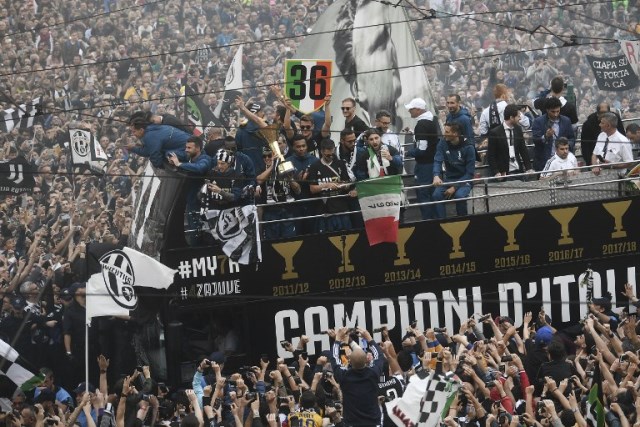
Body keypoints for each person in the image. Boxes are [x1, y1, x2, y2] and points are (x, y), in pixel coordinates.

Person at [330, 327, 385, 427]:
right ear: (366, 361)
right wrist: (369, 338)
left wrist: (337, 339)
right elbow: (379, 356)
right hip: (373, 423)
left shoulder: (344, 376)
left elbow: (334, 357)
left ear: (349, 361)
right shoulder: (374, 373)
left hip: (352, 423)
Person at [167, 136, 212, 245]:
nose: (186, 150)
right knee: (193, 228)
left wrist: (179, 164)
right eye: (186, 147)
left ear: (198, 149)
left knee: (203, 230)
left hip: (202, 202)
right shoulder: (188, 157)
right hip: (191, 200)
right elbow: (169, 152)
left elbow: (200, 168)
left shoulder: (205, 159)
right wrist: (170, 158)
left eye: (189, 148)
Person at [308, 138, 357, 233]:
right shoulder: (314, 166)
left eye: (332, 154)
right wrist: (326, 185)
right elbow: (312, 189)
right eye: (327, 155)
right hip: (324, 208)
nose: (330, 157)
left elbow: (347, 182)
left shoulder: (340, 163)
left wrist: (342, 185)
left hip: (341, 206)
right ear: (321, 151)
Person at [404, 98, 439, 220]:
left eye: (411, 109)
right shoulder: (431, 120)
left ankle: (428, 221)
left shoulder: (422, 125)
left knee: (424, 194)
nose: (409, 111)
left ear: (418, 110)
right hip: (432, 164)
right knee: (432, 194)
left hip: (425, 166)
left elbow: (421, 150)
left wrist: (407, 153)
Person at [432, 122, 475, 219]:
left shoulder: (469, 147)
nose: (444, 134)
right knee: (436, 195)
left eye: (447, 132)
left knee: (459, 196)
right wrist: (436, 175)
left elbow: (470, 173)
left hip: (465, 180)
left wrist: (455, 187)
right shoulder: (443, 143)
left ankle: (462, 221)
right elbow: (437, 160)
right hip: (449, 179)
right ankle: (442, 222)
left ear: (455, 134)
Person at [256, 146, 300, 239]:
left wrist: (289, 178)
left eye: (269, 155)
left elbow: (298, 190)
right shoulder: (262, 169)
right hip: (271, 211)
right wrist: (272, 166)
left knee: (290, 240)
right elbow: (259, 181)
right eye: (264, 156)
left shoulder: (288, 166)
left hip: (287, 209)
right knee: (271, 240)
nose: (267, 158)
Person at [487, 104, 533, 178]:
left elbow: (523, 149)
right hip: (504, 172)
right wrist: (496, 172)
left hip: (518, 170)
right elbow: (491, 155)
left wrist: (528, 168)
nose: (520, 118)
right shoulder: (495, 132)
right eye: (518, 116)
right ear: (511, 117)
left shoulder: (518, 129)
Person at [127, 117, 191, 168]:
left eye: (134, 131)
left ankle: (189, 158)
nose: (133, 134)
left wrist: (159, 166)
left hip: (188, 148)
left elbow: (157, 161)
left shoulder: (149, 136)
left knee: (168, 155)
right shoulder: (151, 128)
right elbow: (148, 151)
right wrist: (133, 148)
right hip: (190, 141)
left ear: (141, 130)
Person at [531, 97, 575, 171]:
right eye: (553, 112)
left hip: (562, 161)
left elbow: (571, 138)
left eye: (558, 111)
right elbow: (535, 139)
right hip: (544, 161)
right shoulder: (538, 121)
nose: (555, 114)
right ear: (547, 110)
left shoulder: (566, 121)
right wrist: (545, 136)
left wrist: (565, 147)